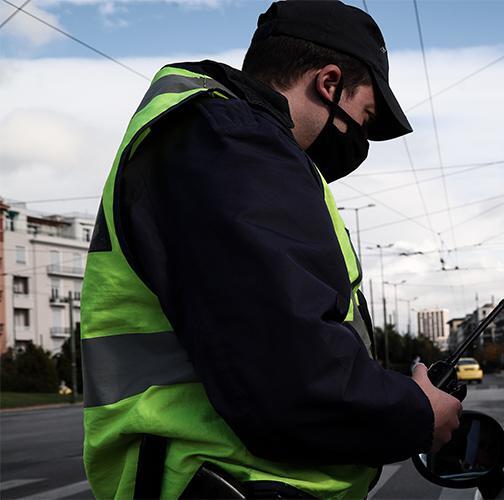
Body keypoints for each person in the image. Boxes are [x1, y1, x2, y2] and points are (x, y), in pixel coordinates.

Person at [79, 1, 461, 498]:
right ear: (328, 83)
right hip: (225, 482)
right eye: (364, 116)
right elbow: (290, 375)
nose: (361, 137)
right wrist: (416, 411)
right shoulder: (228, 142)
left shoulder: (228, 145)